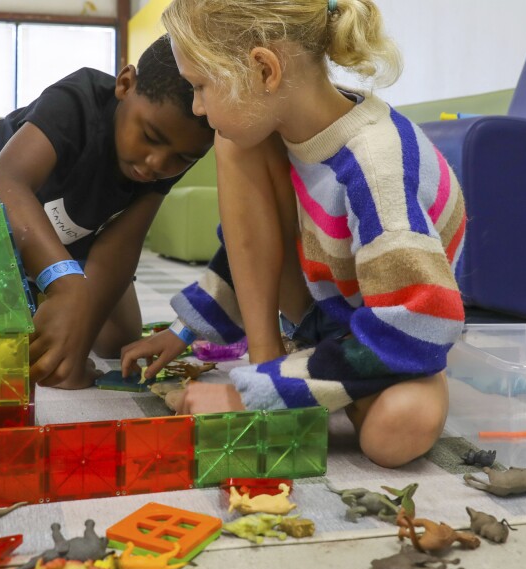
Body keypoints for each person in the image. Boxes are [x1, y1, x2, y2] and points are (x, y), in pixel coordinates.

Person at [121, 0, 467, 468]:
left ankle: (309, 379)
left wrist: (254, 396)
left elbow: (419, 320)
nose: (198, 107)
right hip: (320, 313)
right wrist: (185, 330)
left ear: (264, 69)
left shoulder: (377, 165)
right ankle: (274, 366)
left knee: (394, 434)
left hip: (389, 325)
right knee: (234, 141)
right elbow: (259, 242)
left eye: (201, 86)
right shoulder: (273, 124)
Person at [0, 34, 215, 389]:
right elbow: (5, 181)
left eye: (182, 158)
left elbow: (121, 248)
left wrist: (75, 350)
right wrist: (67, 284)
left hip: (66, 245)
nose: (156, 163)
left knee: (117, 340)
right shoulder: (76, 101)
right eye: (149, 136)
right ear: (125, 85)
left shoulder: (172, 153)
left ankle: (50, 291)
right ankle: (47, 288)